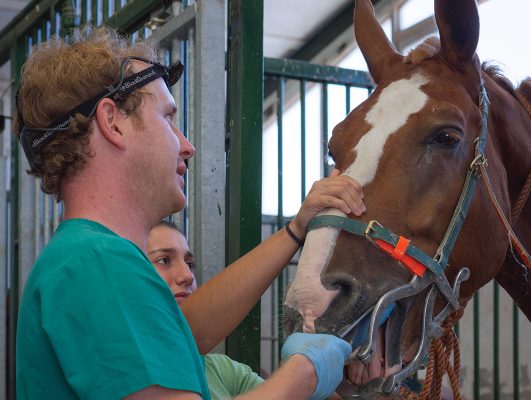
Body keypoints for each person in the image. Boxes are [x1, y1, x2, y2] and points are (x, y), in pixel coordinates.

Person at [15, 26, 365, 400]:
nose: (187, 145)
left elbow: (186, 330)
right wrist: (307, 371)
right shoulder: (100, 262)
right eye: (167, 117)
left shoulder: (79, 258)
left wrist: (297, 229)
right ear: (112, 121)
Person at [147, 221, 264, 399]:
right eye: (163, 260)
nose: (187, 275)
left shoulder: (221, 371)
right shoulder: (119, 370)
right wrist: (304, 367)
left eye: (189, 263)